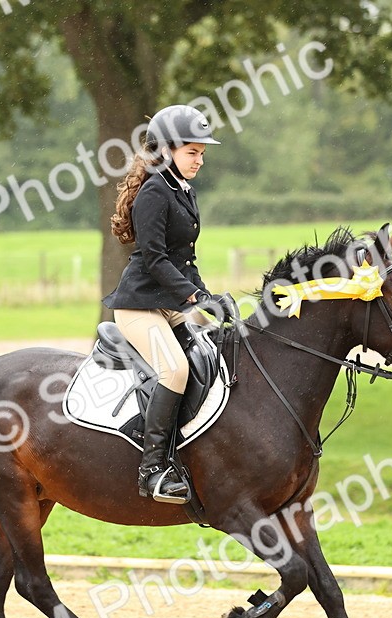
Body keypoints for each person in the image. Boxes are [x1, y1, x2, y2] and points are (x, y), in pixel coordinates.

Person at [102, 104, 222, 504]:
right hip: (139, 306)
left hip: (167, 303)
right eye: (192, 152)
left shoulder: (182, 190)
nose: (199, 160)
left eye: (201, 153)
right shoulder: (155, 191)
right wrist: (192, 296)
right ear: (167, 150)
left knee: (215, 352)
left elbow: (185, 259)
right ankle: (152, 469)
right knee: (175, 369)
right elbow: (155, 259)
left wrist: (208, 296)